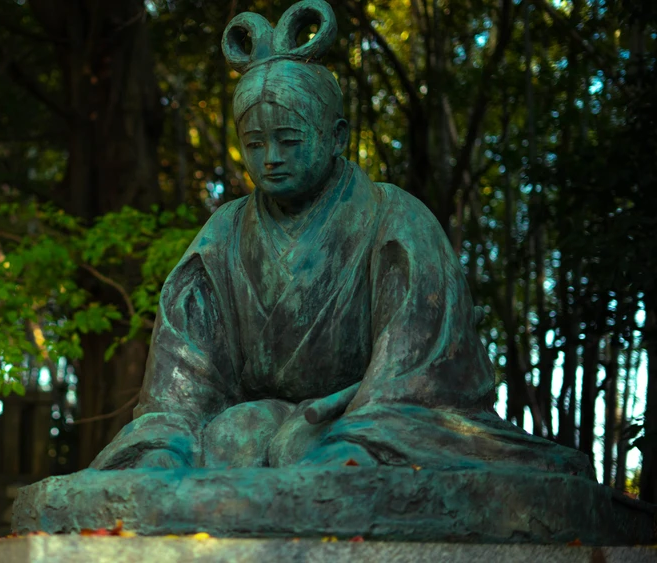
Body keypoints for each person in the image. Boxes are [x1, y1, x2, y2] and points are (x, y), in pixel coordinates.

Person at [91, 0, 590, 478]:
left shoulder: (395, 219)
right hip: (259, 424)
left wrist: (351, 419)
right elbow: (182, 381)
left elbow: (421, 374)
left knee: (339, 452)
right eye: (255, 144)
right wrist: (165, 442)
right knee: (229, 439)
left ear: (336, 136)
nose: (271, 159)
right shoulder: (222, 234)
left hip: (371, 417)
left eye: (289, 140)